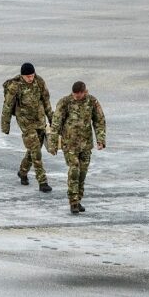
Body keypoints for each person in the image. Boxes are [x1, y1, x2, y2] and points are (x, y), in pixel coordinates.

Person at [47, 81, 105, 214]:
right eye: (74, 95)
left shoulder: (92, 102)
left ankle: (78, 200)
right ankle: (73, 202)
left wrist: (100, 139)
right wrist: (53, 144)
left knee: (82, 173)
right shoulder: (65, 102)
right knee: (74, 170)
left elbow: (99, 121)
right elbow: (55, 124)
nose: (76, 97)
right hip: (70, 144)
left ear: (85, 92)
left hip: (86, 145)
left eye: (79, 95)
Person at [1, 62, 53, 192]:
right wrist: (5, 125)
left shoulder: (39, 81)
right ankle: (42, 181)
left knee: (34, 149)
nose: (30, 78)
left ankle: (23, 171)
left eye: (32, 75)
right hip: (25, 121)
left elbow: (46, 101)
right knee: (36, 150)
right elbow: (7, 106)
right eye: (28, 76)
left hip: (39, 119)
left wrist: (52, 119)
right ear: (22, 76)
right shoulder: (15, 86)